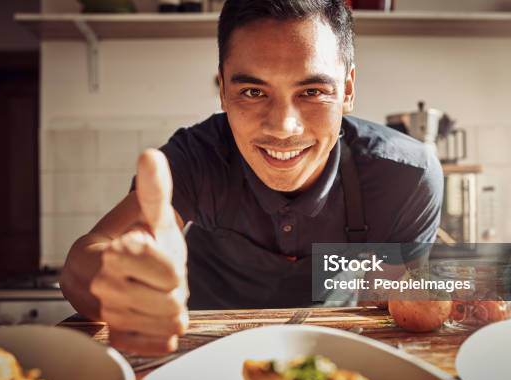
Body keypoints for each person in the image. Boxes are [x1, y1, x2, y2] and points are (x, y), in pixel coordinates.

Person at [61, 0, 443, 356]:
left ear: (346, 89)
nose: (283, 127)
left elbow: (399, 297)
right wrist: (120, 286)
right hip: (198, 357)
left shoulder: (405, 177)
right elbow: (83, 260)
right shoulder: (196, 159)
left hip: (327, 359)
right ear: (224, 91)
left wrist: (460, 288)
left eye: (312, 91)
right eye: (252, 91)